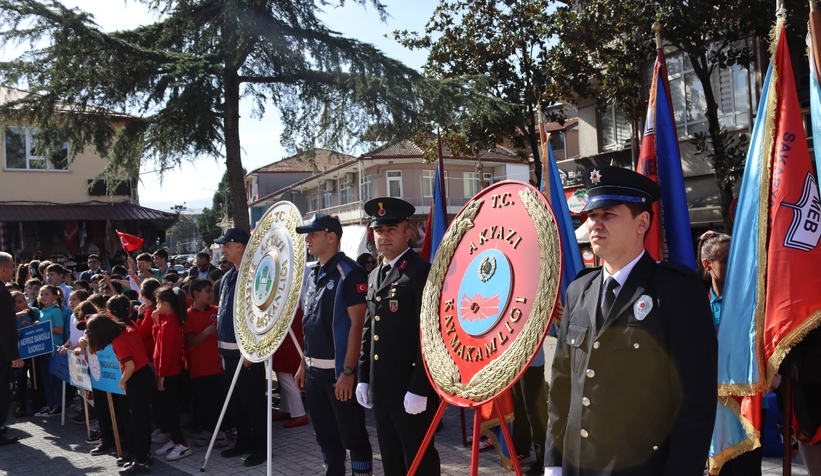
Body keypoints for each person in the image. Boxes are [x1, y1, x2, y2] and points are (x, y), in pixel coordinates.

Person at [544, 166, 717, 476]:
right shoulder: (579, 290)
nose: (595, 224)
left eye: (608, 214)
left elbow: (695, 400)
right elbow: (561, 387)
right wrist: (553, 463)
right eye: (592, 216)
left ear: (642, 222)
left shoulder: (676, 291)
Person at [356, 198, 440, 476]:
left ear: (408, 232)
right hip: (382, 390)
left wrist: (420, 387)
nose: (384, 235)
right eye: (379, 230)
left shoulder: (421, 272)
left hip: (409, 388)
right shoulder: (375, 275)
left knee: (418, 459)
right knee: (391, 458)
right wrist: (363, 378)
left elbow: (429, 334)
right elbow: (369, 330)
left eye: (392, 229)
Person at [294, 213, 373, 476]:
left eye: (313, 234)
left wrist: (348, 372)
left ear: (331, 237)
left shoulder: (349, 272)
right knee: (325, 436)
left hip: (339, 375)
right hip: (315, 374)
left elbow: (357, 326)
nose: (308, 239)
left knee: (353, 437)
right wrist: (303, 364)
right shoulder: (314, 273)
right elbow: (310, 324)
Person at [215, 228, 267, 467]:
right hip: (228, 351)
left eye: (227, 244)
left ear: (240, 246)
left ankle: (261, 448)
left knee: (253, 402)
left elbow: (260, 314)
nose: (223, 249)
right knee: (235, 401)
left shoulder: (254, 274)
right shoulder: (228, 277)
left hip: (247, 353)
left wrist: (253, 349)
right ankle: (243, 441)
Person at [84, 312, 154, 474]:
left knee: (138, 422)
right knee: (141, 420)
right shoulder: (128, 329)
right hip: (144, 375)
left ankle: (142, 462)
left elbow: (129, 366)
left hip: (136, 379)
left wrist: (121, 382)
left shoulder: (118, 341)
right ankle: (144, 453)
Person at [183, 279, 228, 448]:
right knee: (203, 402)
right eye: (207, 291)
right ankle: (208, 430)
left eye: (211, 291)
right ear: (196, 294)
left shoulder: (217, 311)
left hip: (217, 366)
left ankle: (222, 430)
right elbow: (191, 341)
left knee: (219, 400)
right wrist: (207, 332)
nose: (211, 294)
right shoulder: (187, 315)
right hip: (199, 367)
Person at [151, 286, 192, 461]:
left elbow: (166, 354)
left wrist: (161, 376)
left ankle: (182, 444)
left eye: (158, 303)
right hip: (169, 371)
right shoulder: (168, 321)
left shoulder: (170, 323)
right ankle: (174, 439)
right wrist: (155, 323)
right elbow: (158, 344)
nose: (156, 306)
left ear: (166, 304)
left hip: (169, 373)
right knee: (167, 409)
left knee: (169, 409)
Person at [0, 252, 26, 444]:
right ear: (3, 269)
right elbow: (5, 327)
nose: (13, 271)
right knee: (2, 389)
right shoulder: (2, 292)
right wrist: (13, 355)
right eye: (11, 268)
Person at [33, 284, 66, 417]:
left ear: (54, 296)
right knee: (45, 378)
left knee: (54, 378)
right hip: (43, 349)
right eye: (41, 294)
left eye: (46, 294)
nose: (43, 296)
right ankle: (49, 403)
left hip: (54, 348)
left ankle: (57, 404)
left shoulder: (56, 311)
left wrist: (43, 327)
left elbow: (59, 329)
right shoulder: (40, 312)